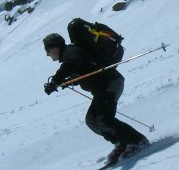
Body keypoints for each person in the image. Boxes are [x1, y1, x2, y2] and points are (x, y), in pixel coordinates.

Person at [43, 32, 149, 163]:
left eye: (48, 50)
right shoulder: (70, 54)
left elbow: (71, 63)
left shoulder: (71, 52)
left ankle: (137, 141)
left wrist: (55, 80)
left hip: (110, 84)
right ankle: (121, 143)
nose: (48, 54)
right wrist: (69, 81)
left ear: (55, 48)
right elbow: (83, 69)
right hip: (102, 88)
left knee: (104, 120)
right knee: (92, 120)